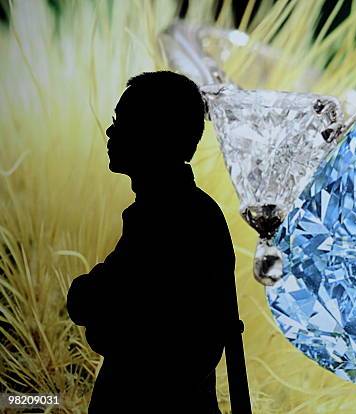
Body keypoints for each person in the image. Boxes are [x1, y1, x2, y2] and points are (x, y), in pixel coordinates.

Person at [67, 71, 234, 413]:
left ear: (156, 135)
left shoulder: (165, 219)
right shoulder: (193, 211)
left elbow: (89, 303)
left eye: (124, 121)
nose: (111, 131)